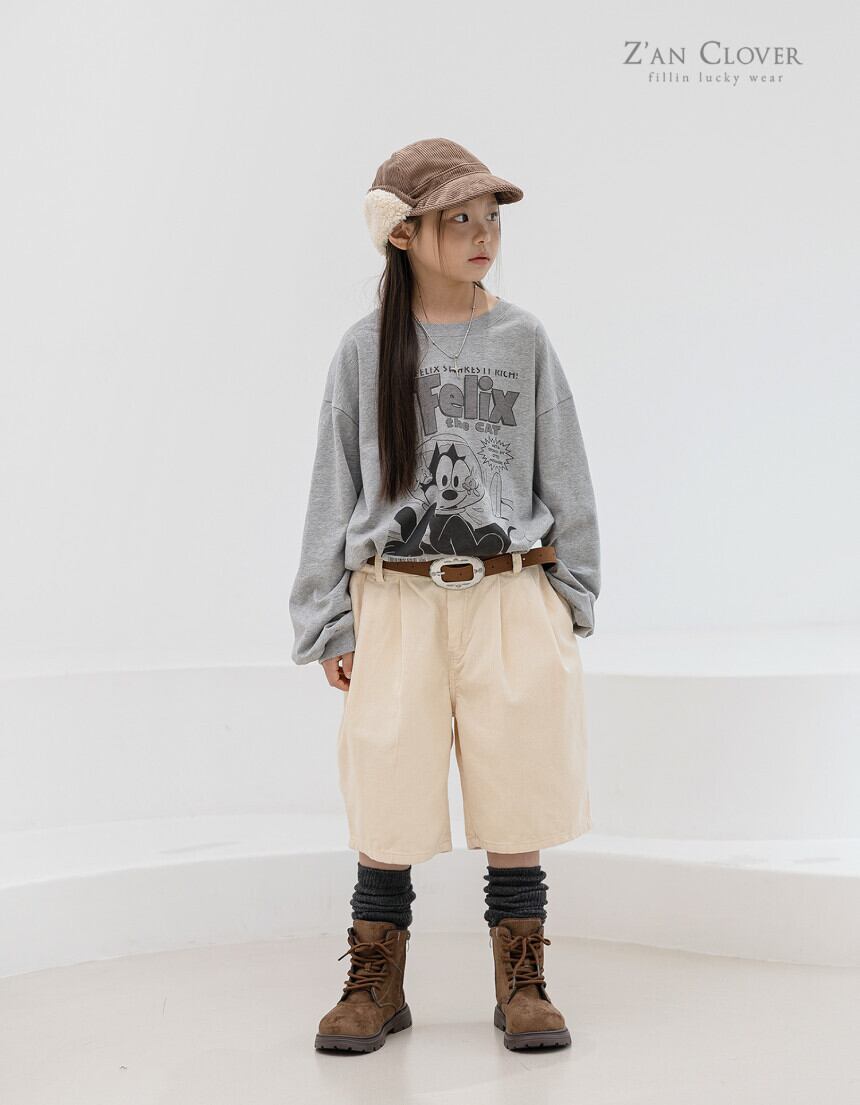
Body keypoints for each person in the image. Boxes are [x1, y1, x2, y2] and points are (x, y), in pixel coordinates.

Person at [289, 137, 601, 1053]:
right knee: (388, 784)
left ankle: (522, 976)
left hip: (510, 593)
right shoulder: (364, 350)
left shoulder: (523, 339)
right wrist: (327, 618)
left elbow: (565, 469)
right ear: (403, 234)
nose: (482, 235)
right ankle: (375, 978)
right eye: (458, 219)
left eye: (489, 217)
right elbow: (333, 486)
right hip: (396, 599)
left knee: (519, 781)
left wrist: (570, 596)